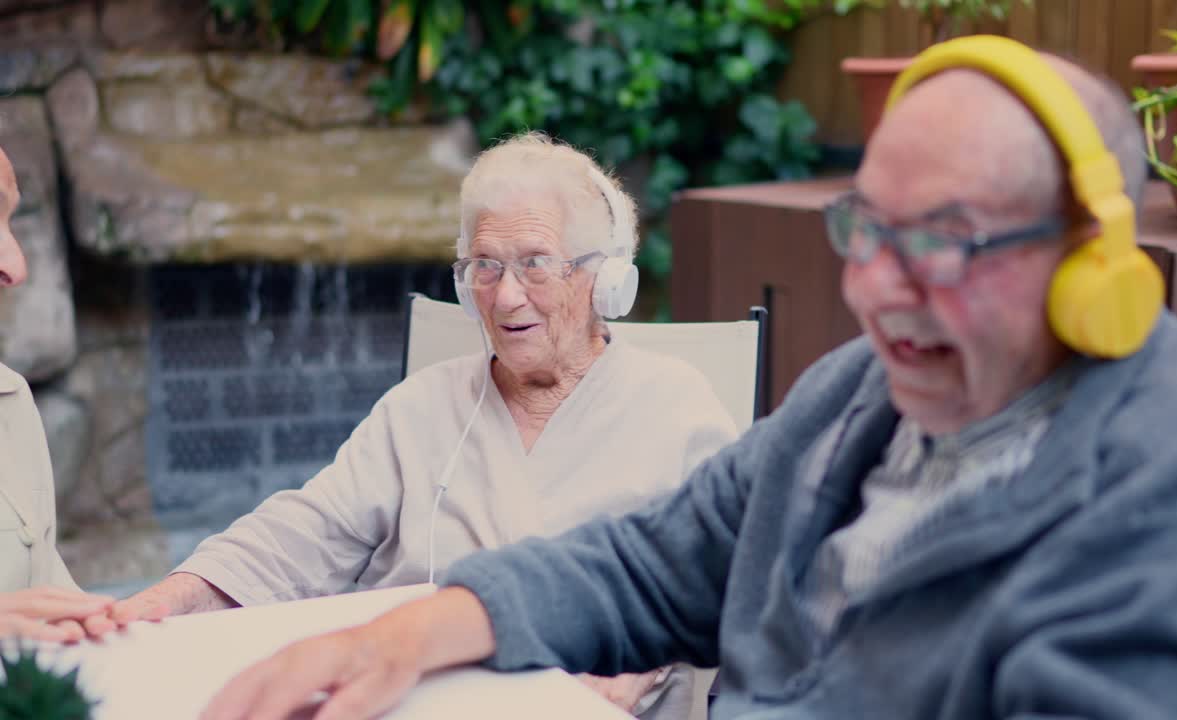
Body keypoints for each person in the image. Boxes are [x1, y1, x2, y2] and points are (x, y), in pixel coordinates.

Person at [200, 39, 1177, 720]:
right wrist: (397, 635)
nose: (873, 292)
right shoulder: (854, 395)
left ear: (1087, 269)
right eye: (866, 229)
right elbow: (648, 564)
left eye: (940, 241)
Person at [109, 132, 737, 718]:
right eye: (485, 267)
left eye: (536, 263)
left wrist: (623, 675)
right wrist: (163, 602)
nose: (506, 296)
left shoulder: (677, 411)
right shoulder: (423, 406)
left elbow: (712, 585)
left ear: (604, 280)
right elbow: (304, 534)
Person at [0, 145, 114, 642]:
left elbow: (42, 589)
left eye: (9, 220)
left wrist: (102, 622)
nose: (15, 266)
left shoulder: (11, 400)